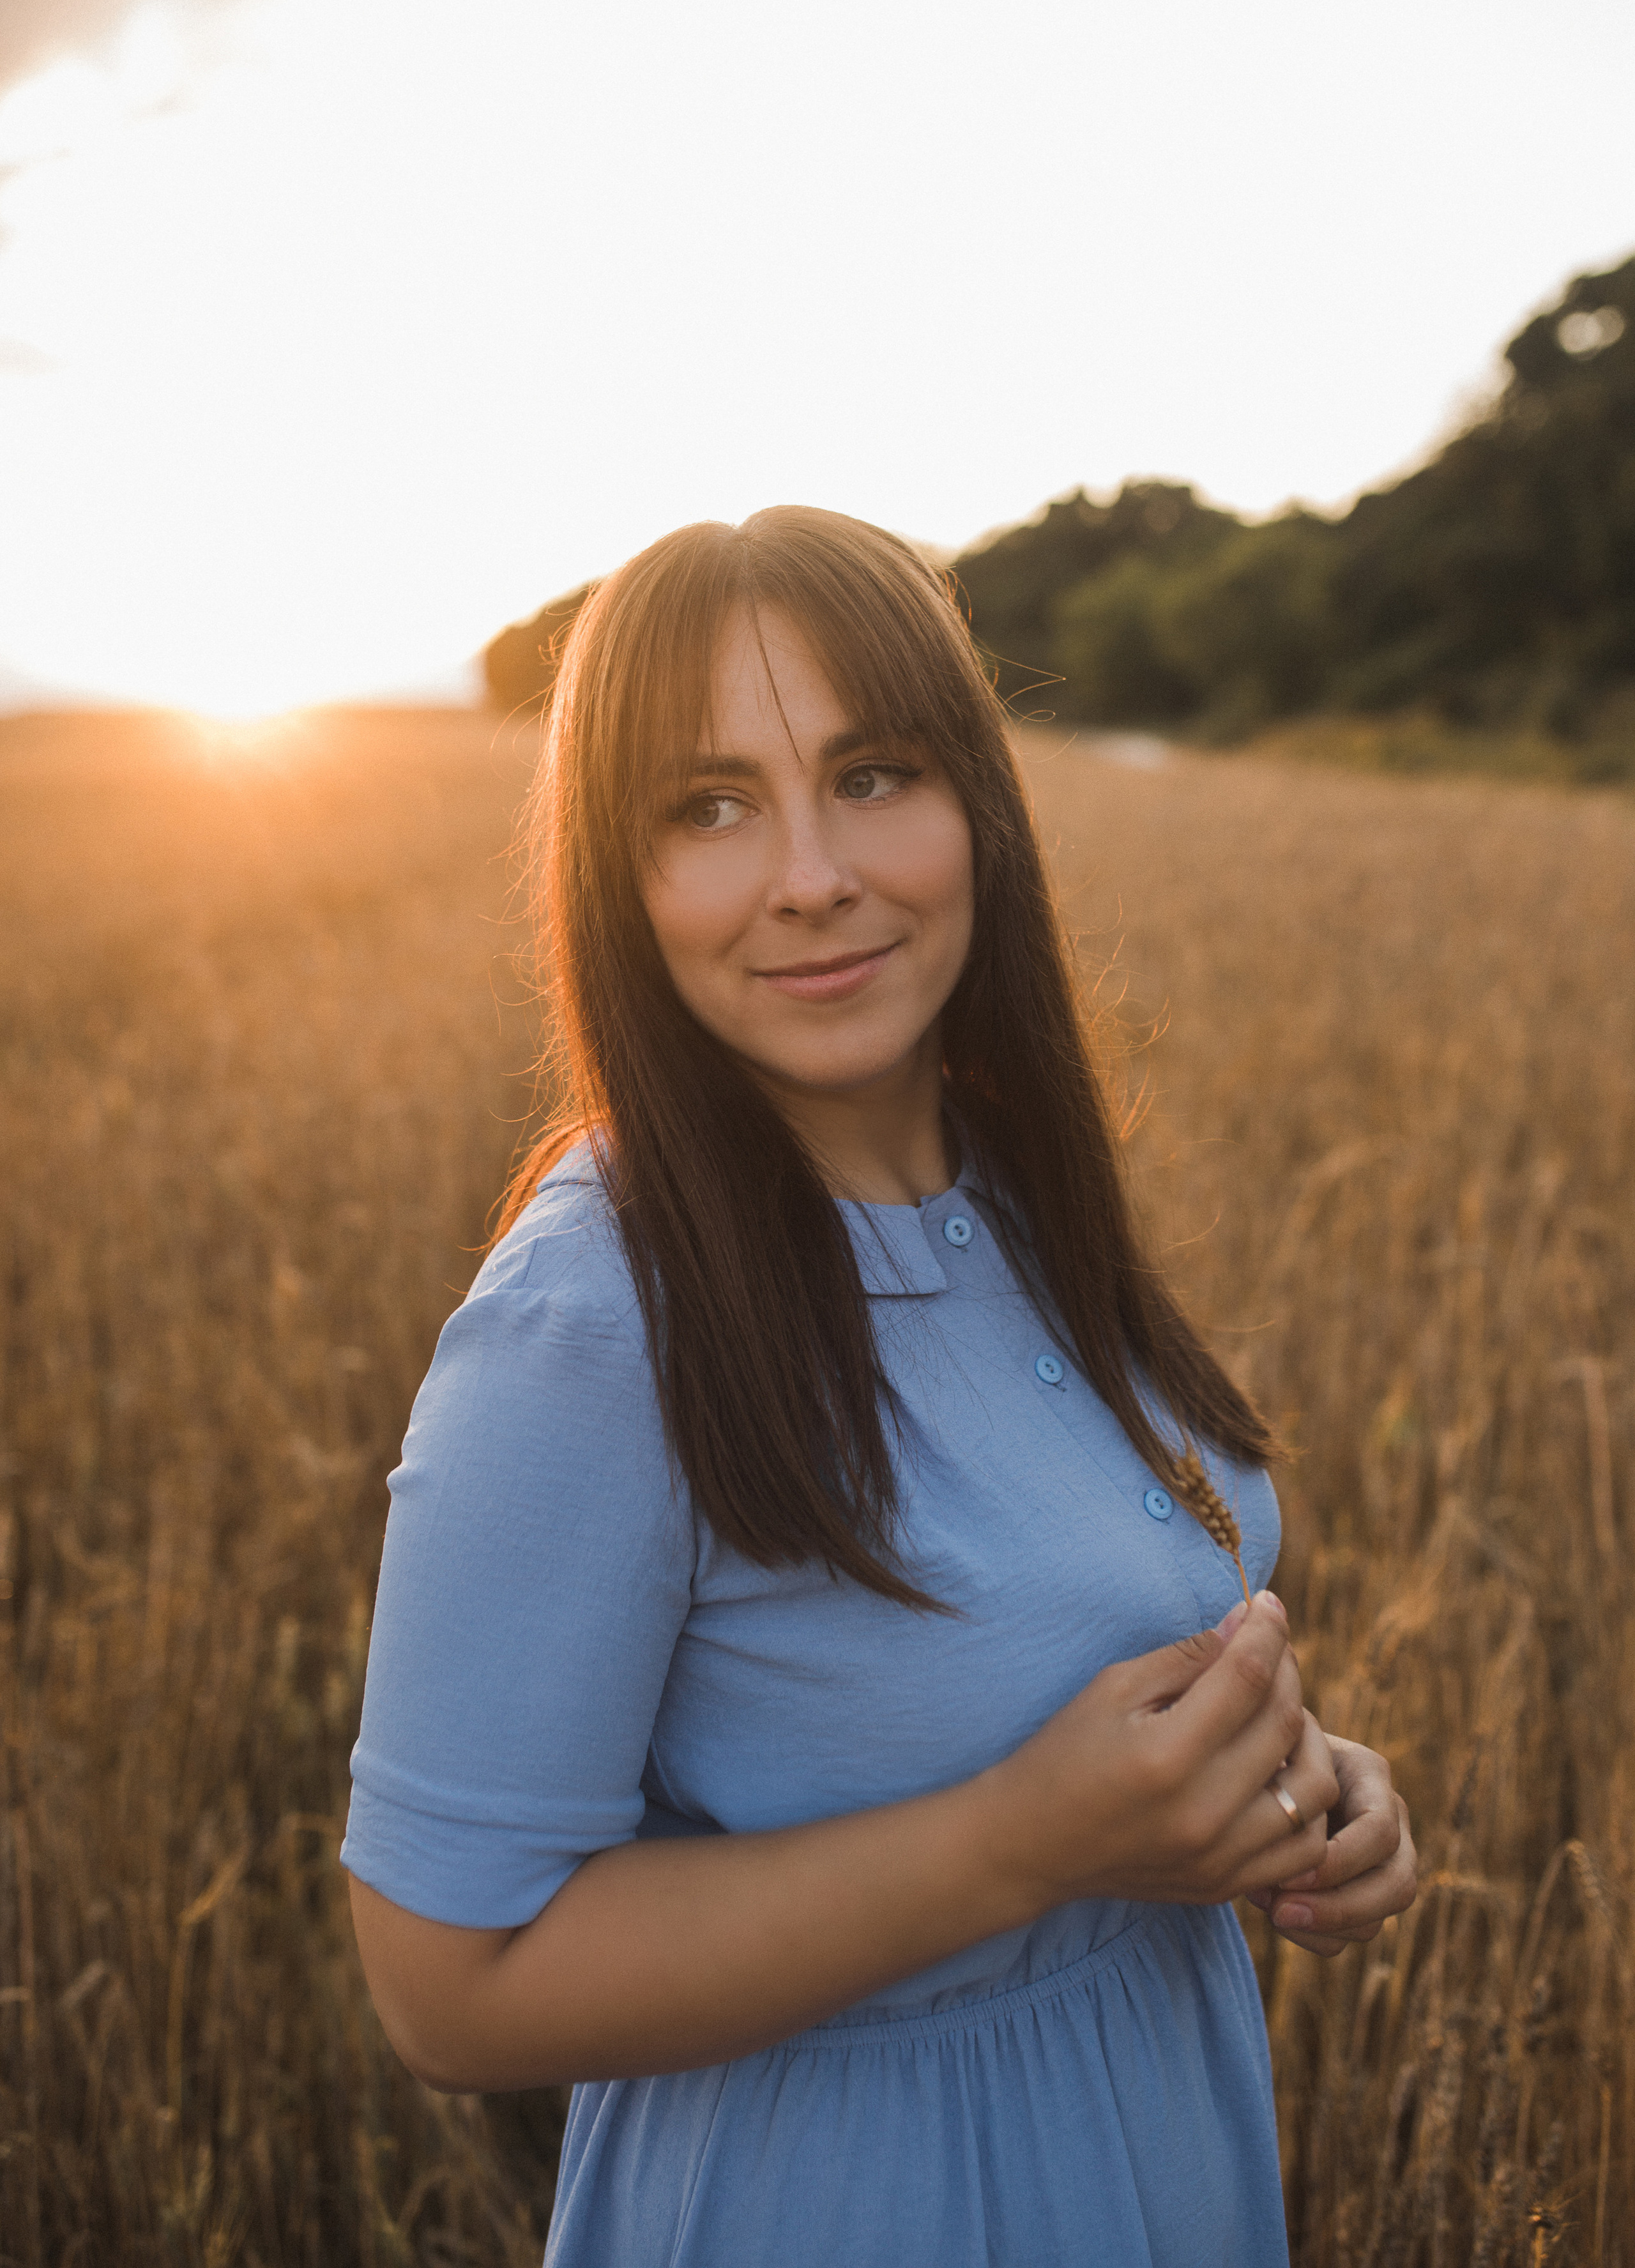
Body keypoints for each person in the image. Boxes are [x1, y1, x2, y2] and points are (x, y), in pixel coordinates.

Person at [341, 507, 1417, 2267]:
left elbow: (1033, 1660)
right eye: (707, 807)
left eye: (871, 774)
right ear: (621, 881)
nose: (808, 875)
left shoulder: (1010, 1183)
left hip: (1150, 2151)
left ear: (977, 805)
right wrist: (1020, 1843)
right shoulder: (599, 1314)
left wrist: (1289, 1788)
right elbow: (448, 1989)